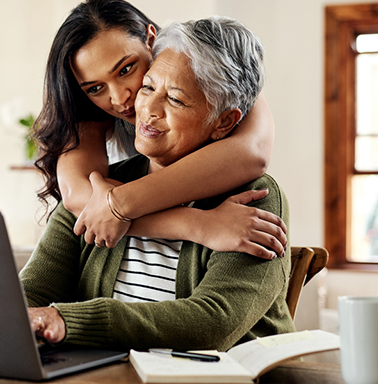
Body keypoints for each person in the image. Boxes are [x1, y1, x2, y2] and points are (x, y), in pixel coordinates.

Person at [21, 16, 295, 351]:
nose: (144, 108)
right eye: (148, 87)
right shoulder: (101, 187)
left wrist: (69, 321)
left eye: (176, 100)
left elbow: (213, 323)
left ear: (224, 122)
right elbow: (30, 292)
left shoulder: (257, 197)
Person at [33, 0, 286, 259]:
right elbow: (80, 197)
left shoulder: (216, 69)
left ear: (150, 40)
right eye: (96, 88)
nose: (120, 99)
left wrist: (120, 203)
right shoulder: (89, 114)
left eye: (126, 69)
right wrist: (198, 225)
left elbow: (251, 153)